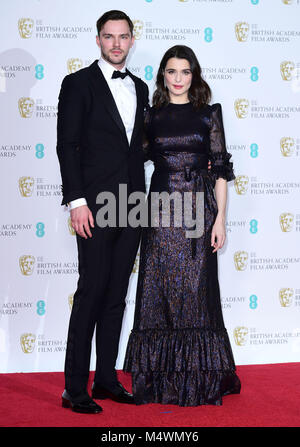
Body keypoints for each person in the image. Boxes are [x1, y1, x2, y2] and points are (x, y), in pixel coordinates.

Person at [124, 45, 241, 406]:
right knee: (158, 289)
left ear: (195, 75)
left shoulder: (209, 115)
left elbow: (220, 171)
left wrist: (220, 218)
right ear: (162, 75)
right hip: (159, 210)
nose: (178, 79)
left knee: (197, 292)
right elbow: (129, 158)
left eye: (185, 72)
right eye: (171, 72)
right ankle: (157, 383)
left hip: (199, 211)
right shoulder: (151, 116)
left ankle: (201, 381)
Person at [56, 10, 149, 413]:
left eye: (122, 36)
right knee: (91, 291)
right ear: (97, 40)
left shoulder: (142, 88)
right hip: (93, 206)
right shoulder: (77, 84)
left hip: (132, 205)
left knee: (116, 296)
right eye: (108, 36)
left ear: (132, 40)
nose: (116, 43)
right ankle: (74, 388)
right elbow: (67, 145)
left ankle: (107, 380)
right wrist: (76, 202)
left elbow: (139, 150)